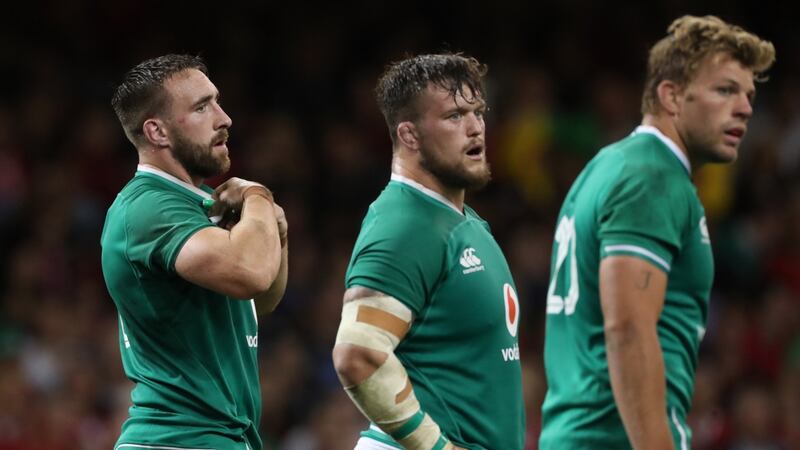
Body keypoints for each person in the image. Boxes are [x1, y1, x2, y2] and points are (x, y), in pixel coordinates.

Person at [539, 16, 775, 450]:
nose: (745, 107)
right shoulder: (653, 176)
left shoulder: (611, 165)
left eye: (749, 95)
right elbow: (628, 327)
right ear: (671, 96)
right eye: (725, 90)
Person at [332, 53, 525, 450]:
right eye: (454, 116)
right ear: (409, 135)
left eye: (478, 112)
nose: (475, 127)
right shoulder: (405, 223)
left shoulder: (460, 221)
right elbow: (357, 352)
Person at [101, 54, 289, 450]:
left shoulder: (202, 204)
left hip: (217, 437)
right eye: (202, 107)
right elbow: (252, 273)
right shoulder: (148, 207)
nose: (224, 118)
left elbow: (261, 298)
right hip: (178, 438)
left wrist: (277, 237)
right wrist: (259, 195)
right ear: (157, 131)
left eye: (217, 101)